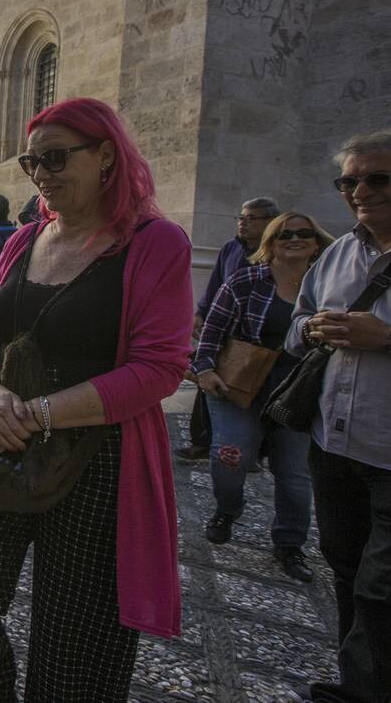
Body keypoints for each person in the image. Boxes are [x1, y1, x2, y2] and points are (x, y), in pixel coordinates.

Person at [0, 97, 193, 701]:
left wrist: (35, 413)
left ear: (105, 156)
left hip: (99, 460)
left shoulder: (157, 243)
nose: (41, 172)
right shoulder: (23, 240)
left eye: (54, 157)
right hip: (0, 441)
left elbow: (160, 368)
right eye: (31, 161)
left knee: (75, 647)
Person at [287, 129, 391, 703]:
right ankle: (364, 681)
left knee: (382, 588)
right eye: (349, 180)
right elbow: (296, 324)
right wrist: (312, 328)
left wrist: (386, 336)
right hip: (335, 444)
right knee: (347, 567)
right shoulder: (339, 253)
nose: (360, 191)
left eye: (377, 178)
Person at [193, 212, 334, 583]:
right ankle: (228, 508)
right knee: (230, 457)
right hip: (238, 386)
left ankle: (289, 544)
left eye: (304, 233)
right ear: (271, 241)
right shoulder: (247, 280)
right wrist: (204, 369)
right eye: (285, 233)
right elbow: (212, 330)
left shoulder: (327, 285)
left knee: (293, 474)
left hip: (296, 391)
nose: (295, 239)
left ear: (316, 241)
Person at [177, 196, 281, 461]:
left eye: (251, 218)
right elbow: (216, 283)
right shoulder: (230, 248)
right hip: (225, 333)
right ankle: (203, 441)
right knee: (208, 382)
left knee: (252, 392)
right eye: (241, 218)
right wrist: (201, 312)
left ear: (269, 222)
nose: (243, 224)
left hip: (260, 340)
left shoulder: (276, 251)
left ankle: (253, 450)